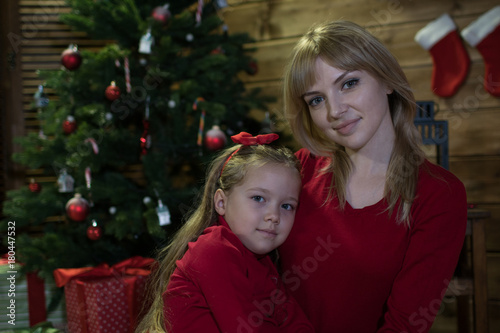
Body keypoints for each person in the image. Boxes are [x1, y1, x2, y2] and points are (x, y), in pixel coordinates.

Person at [278, 20, 467, 333]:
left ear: (387, 80)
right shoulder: (296, 172)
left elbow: (405, 326)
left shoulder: (439, 194)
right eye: (316, 99)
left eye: (349, 83)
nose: (334, 111)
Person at [135, 132, 314, 333]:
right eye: (258, 198)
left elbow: (297, 324)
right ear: (221, 202)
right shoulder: (213, 250)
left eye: (287, 206)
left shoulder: (264, 265)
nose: (274, 216)